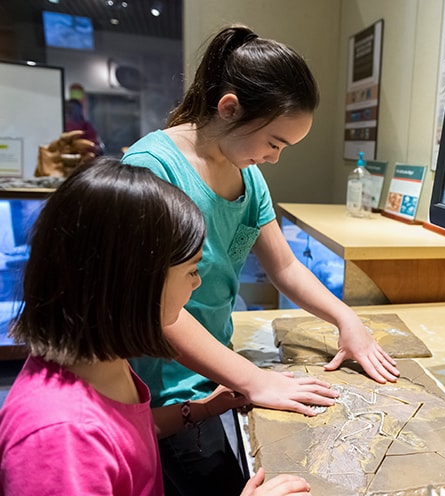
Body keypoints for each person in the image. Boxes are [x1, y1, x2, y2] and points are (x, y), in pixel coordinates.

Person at [122, 24, 400, 495]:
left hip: (217, 377)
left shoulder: (248, 176)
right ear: (229, 108)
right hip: (164, 392)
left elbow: (285, 266)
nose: (274, 158)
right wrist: (254, 379)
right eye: (274, 142)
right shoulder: (154, 169)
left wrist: (344, 318)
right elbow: (157, 312)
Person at [0, 158, 312, 496]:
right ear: (134, 285)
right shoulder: (59, 438)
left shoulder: (102, 362)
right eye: (191, 270)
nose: (197, 283)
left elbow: (124, 429)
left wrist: (199, 409)